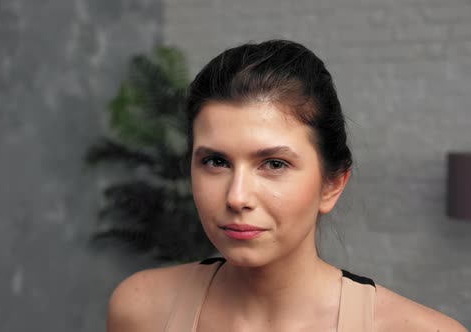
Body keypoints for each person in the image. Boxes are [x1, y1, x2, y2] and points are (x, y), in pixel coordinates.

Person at [106, 40, 468, 332]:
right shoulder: (141, 308)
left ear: (332, 185)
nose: (237, 197)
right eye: (216, 162)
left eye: (274, 164)